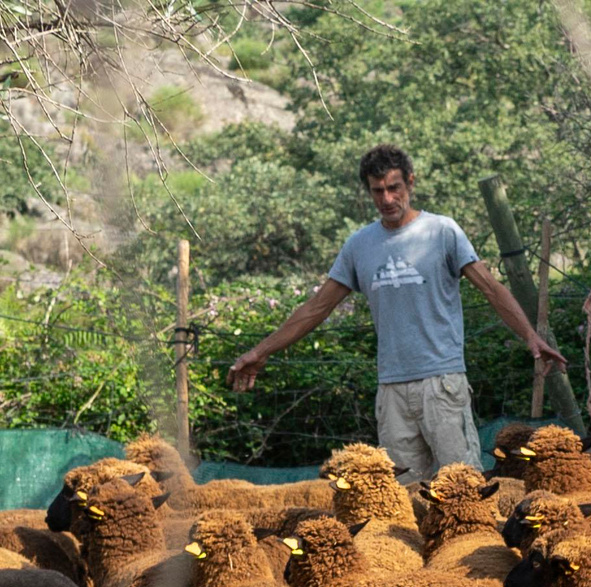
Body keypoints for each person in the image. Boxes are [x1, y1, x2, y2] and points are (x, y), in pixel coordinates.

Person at [228, 144, 566, 483]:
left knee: (463, 487)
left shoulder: (443, 231)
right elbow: (316, 307)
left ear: (410, 182)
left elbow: (491, 288)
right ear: (369, 192)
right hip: (391, 391)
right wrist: (260, 352)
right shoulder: (359, 245)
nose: (387, 198)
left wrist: (531, 336)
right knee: (402, 496)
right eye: (378, 191)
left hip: (442, 384)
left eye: (394, 188)